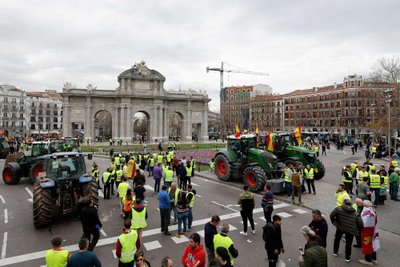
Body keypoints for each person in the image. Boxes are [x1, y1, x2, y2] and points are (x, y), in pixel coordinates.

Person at [330, 196, 363, 263]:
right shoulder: (356, 213)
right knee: (348, 243)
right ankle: (347, 258)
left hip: (340, 227)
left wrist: (335, 223)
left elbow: (331, 215)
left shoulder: (338, 209)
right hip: (350, 230)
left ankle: (335, 252)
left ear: (344, 203)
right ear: (351, 205)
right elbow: (360, 224)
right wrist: (358, 230)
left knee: (337, 239)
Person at [358, 200, 379, 266]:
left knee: (367, 244)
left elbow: (361, 223)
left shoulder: (365, 213)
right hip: (373, 231)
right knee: (373, 243)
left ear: (365, 206)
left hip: (366, 232)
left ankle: (368, 260)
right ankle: (374, 259)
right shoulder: (373, 211)